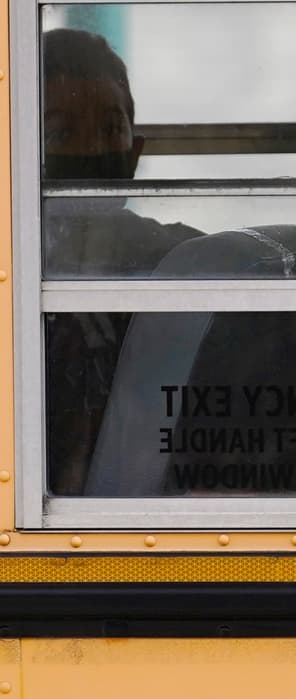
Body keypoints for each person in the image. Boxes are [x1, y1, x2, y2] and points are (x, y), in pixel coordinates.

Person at [42, 29, 202, 494]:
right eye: (61, 134)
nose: (93, 151)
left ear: (135, 152)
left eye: (111, 129)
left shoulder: (176, 259)